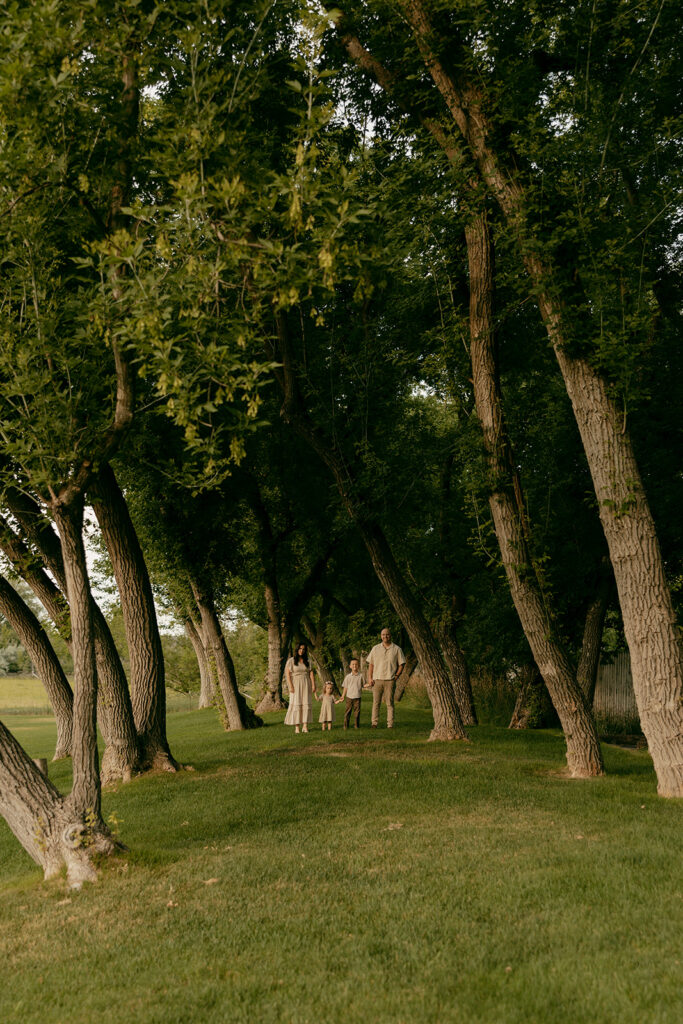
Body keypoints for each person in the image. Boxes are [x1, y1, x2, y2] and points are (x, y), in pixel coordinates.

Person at [367, 628, 405, 729]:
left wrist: (396, 676)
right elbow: (371, 664)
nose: (385, 636)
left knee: (390, 703)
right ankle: (374, 723)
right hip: (377, 680)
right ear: (381, 636)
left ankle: (390, 725)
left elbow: (401, 664)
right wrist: (370, 678)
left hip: (390, 680)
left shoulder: (397, 649)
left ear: (390, 635)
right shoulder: (375, 648)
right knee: (376, 703)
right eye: (383, 635)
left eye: (387, 634)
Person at [284, 643, 317, 734]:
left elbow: (311, 673)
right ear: (297, 649)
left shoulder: (308, 660)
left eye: (303, 649)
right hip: (295, 683)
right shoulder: (291, 661)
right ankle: (297, 727)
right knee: (296, 703)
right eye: (300, 648)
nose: (301, 650)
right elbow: (287, 674)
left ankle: (305, 726)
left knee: (306, 703)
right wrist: (290, 685)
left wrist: (313, 685)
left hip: (306, 683)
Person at [337, 657, 366, 729]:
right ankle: (345, 726)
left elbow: (364, 685)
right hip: (349, 697)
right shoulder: (348, 677)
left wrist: (370, 684)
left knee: (357, 712)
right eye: (353, 664)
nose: (354, 666)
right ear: (350, 666)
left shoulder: (361, 676)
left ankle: (356, 725)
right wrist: (343, 696)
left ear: (358, 666)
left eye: (356, 664)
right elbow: (345, 687)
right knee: (348, 712)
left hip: (357, 697)